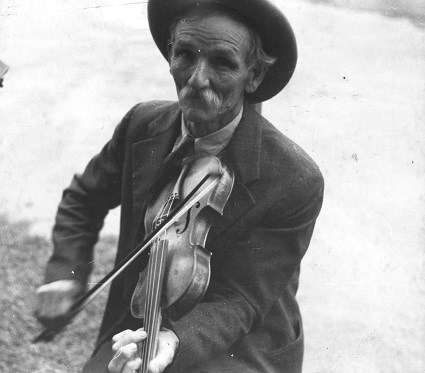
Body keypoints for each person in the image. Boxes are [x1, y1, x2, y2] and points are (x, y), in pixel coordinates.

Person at [35, 0, 324, 372]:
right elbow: (84, 198)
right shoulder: (141, 124)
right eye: (185, 54)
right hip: (145, 317)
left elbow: (241, 300)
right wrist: (65, 274)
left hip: (240, 341)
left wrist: (174, 340)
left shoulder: (294, 179)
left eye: (222, 63)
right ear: (169, 55)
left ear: (252, 77)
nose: (196, 78)